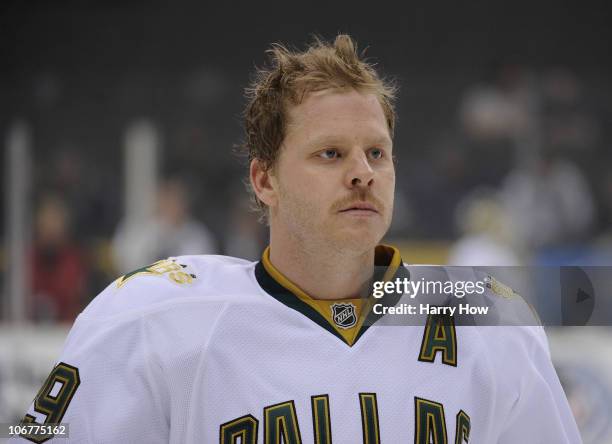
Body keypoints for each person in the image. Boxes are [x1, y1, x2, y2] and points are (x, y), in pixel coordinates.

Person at [12, 35, 581, 443]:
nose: (363, 172)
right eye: (330, 153)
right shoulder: (153, 319)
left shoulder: (489, 323)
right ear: (265, 180)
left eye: (376, 153)